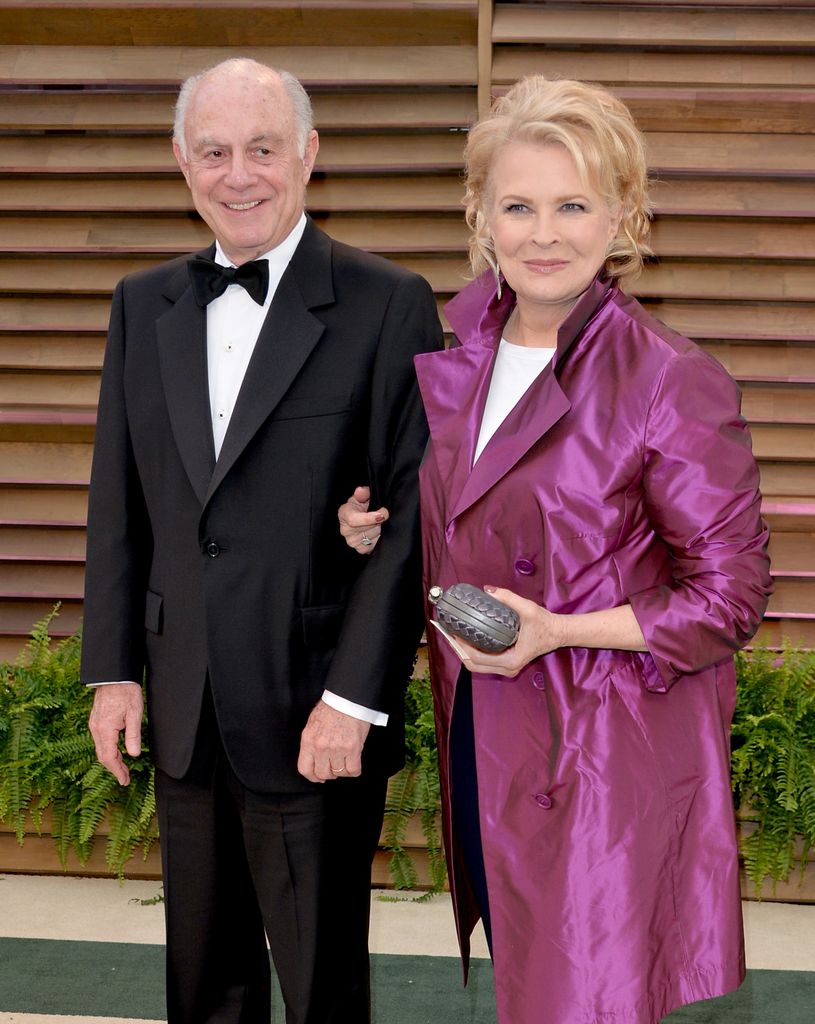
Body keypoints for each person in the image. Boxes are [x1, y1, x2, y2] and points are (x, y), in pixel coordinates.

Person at [338, 76, 773, 1024]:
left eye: (572, 205)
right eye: (519, 205)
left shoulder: (669, 378)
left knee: (581, 1001)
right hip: (485, 735)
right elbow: (463, 512)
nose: (544, 233)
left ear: (621, 214)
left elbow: (729, 594)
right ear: (480, 215)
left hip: (601, 756)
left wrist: (557, 629)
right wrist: (371, 522)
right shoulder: (457, 349)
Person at [81, 57, 442, 1024]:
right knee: (203, 986)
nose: (238, 174)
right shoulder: (139, 303)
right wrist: (112, 671)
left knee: (323, 990)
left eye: (262, 149)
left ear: (309, 154)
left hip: (313, 708)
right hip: (185, 702)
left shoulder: (387, 302)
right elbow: (121, 502)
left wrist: (355, 699)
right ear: (181, 162)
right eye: (214, 152)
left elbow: (409, 524)